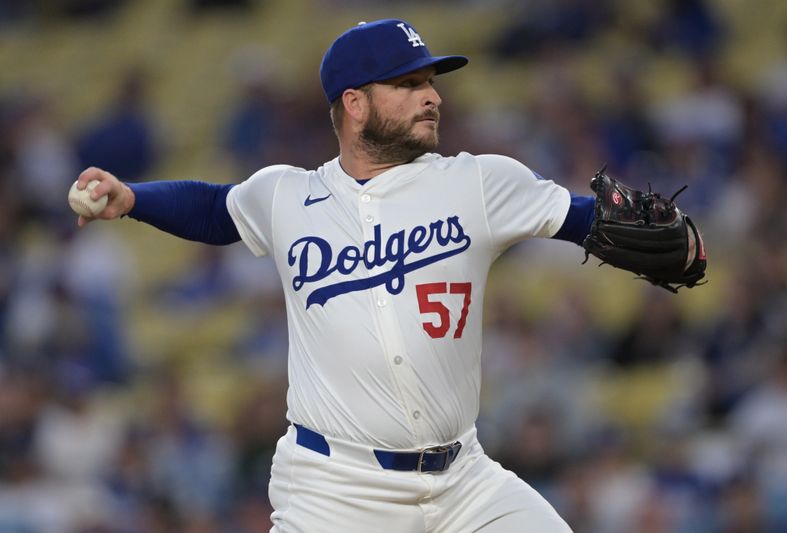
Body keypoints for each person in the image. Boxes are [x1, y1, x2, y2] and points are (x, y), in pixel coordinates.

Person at [72, 18, 700, 532]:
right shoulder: (289, 196)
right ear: (354, 103)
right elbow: (215, 209)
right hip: (334, 492)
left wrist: (672, 238)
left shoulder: (476, 182)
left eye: (431, 80)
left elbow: (582, 217)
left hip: (463, 481)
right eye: (408, 83)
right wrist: (135, 197)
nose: (432, 95)